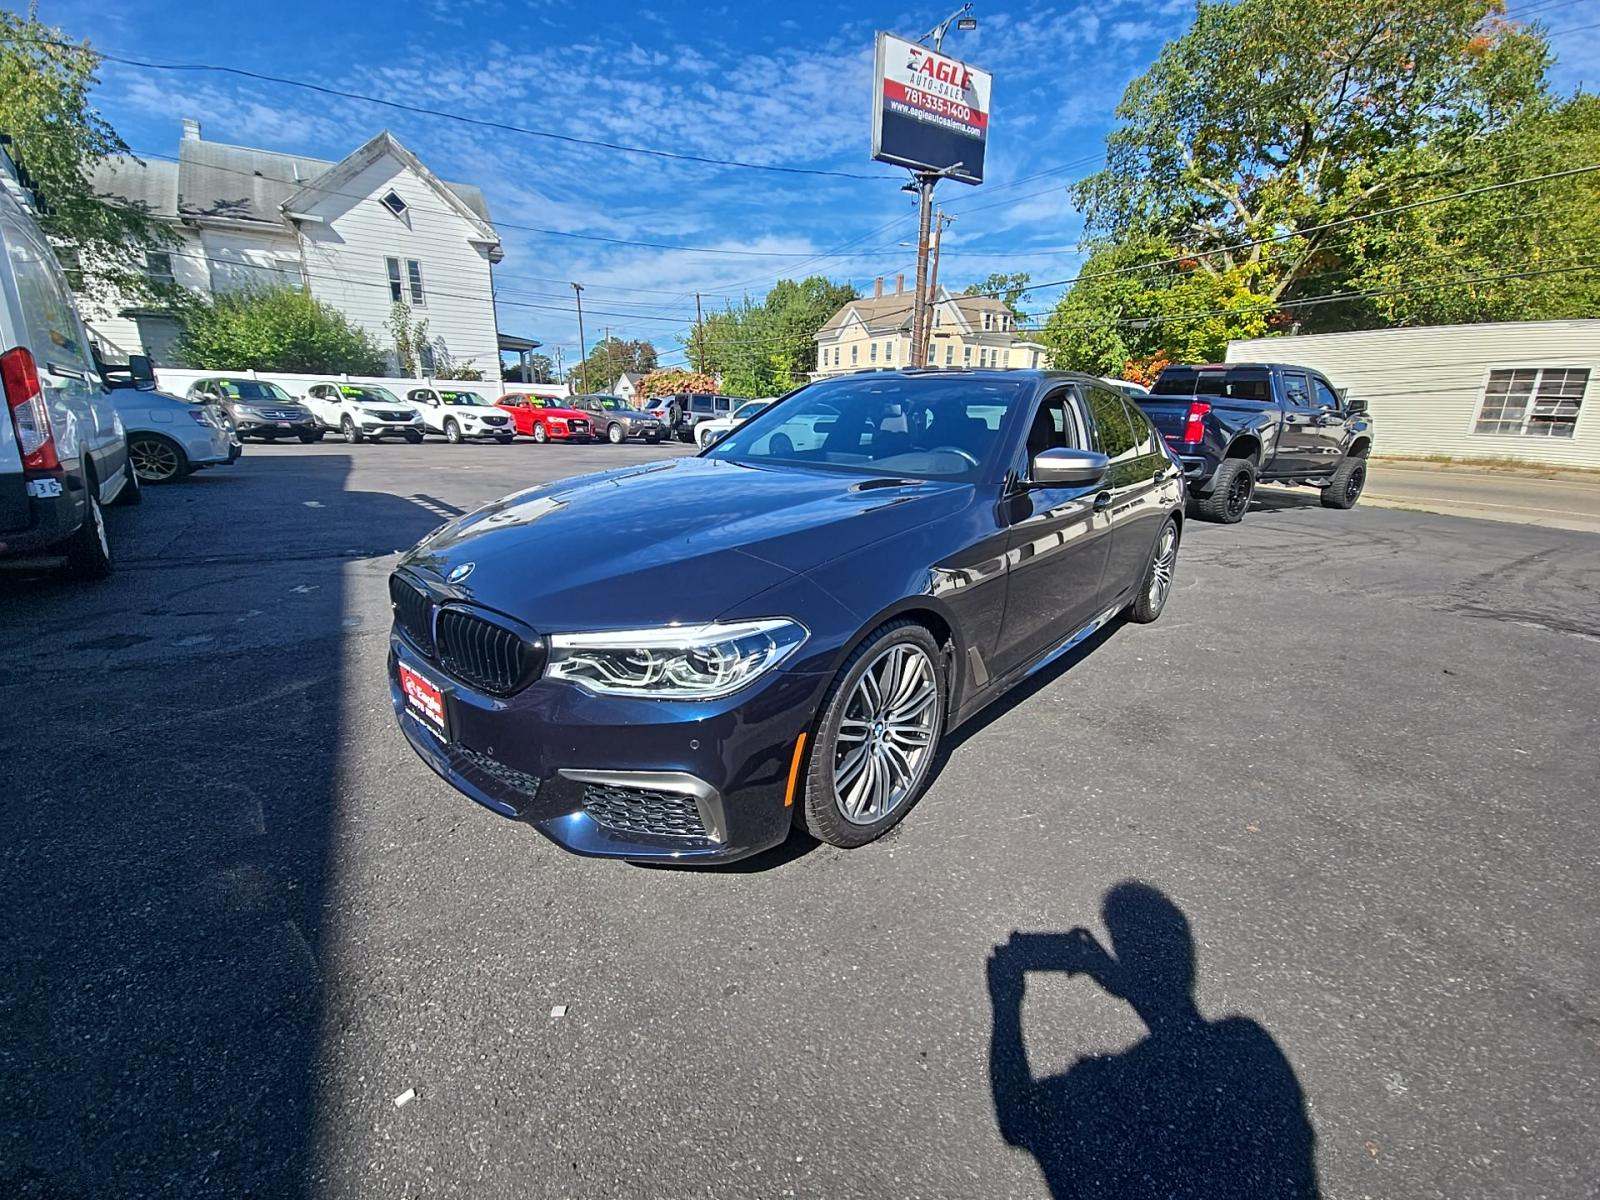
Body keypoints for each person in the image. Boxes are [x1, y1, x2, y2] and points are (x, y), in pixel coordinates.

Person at [987, 882, 1320, 1199]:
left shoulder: (1104, 1093)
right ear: (1188, 961)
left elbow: (1016, 1117)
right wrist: (1124, 981)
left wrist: (1006, 1004)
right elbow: (1185, 1041)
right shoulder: (1248, 1049)